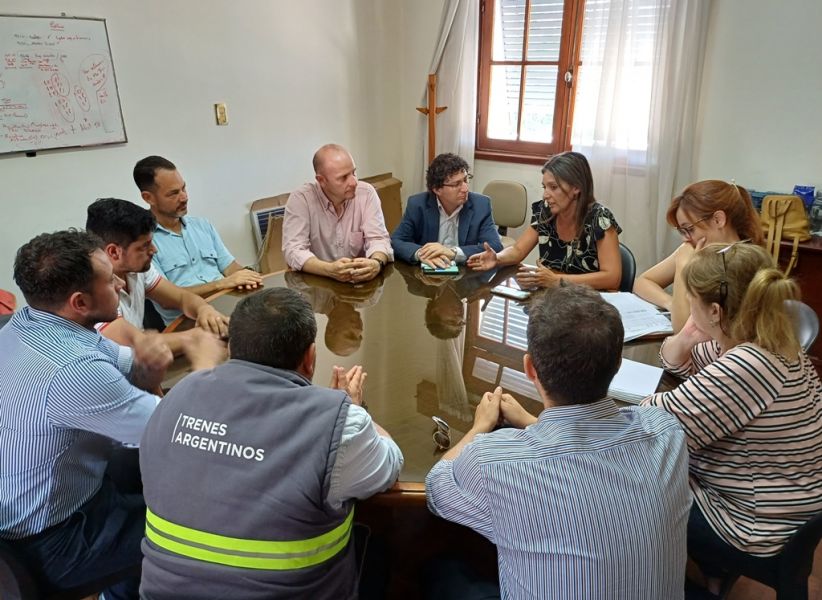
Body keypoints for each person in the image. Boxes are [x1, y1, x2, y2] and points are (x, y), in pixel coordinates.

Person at [426, 283, 691, 599]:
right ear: (617, 365)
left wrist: (478, 428)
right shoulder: (667, 434)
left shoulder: (492, 462)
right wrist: (529, 422)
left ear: (529, 369)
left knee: (443, 572)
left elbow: (436, 488)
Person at [139, 287, 404, 599]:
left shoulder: (176, 397)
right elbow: (390, 464)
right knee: (382, 552)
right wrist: (357, 411)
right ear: (310, 358)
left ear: (232, 348)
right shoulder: (338, 423)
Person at [0, 230, 223, 600]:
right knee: (199, 516)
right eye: (110, 279)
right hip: (52, 541)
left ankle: (122, 589)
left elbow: (123, 365)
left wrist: (149, 369)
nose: (121, 284)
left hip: (46, 500)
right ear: (80, 302)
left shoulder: (27, 325)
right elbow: (183, 430)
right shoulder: (71, 370)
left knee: (149, 470)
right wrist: (205, 366)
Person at [641, 242, 822, 593]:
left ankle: (665, 585)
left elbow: (653, 424)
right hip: (793, 495)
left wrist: (655, 396)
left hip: (760, 523)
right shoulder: (769, 336)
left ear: (714, 310)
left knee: (639, 493)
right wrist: (685, 338)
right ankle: (713, 573)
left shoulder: (747, 365)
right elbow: (681, 360)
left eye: (690, 297)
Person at [86, 198, 230, 350]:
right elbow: (136, 344)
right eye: (145, 245)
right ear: (114, 252)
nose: (154, 250)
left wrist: (204, 310)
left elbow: (181, 297)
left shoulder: (136, 269)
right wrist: (200, 336)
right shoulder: (93, 290)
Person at [134, 155, 263, 324]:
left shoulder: (202, 225)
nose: (184, 197)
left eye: (183, 188)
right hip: (190, 322)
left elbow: (230, 267)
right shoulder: (145, 244)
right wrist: (221, 284)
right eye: (173, 193)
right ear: (148, 198)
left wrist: (249, 276)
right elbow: (167, 299)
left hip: (231, 307)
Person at [467, 151, 622, 291]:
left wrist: (557, 280)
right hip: (551, 299)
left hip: (588, 303)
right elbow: (518, 250)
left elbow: (612, 278)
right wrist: (497, 258)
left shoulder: (600, 219)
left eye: (553, 187)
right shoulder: (545, 211)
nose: (545, 195)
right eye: (544, 187)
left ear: (576, 187)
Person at [633, 180, 764, 332]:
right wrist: (672, 303)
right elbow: (642, 282)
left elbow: (681, 328)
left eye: (689, 229)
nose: (685, 239)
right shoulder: (699, 249)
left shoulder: (741, 263)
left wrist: (684, 265)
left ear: (718, 220)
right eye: (682, 231)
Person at [282, 143, 393, 283]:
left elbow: (378, 239)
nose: (353, 182)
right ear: (321, 180)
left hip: (360, 285)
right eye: (343, 178)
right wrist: (329, 269)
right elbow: (294, 250)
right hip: (319, 285)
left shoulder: (366, 193)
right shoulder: (301, 200)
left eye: (354, 173)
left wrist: (377, 262)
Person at [391, 153, 502, 268]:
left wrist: (453, 252)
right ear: (437, 189)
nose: (465, 188)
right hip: (429, 274)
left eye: (465, 180)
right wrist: (421, 253)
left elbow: (494, 246)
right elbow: (396, 241)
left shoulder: (481, 204)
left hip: (466, 274)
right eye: (456, 184)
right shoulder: (418, 204)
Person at [284, 269, 385, 356]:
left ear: (331, 328)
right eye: (359, 336)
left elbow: (292, 276)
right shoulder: (369, 298)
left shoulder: (309, 302)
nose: (359, 330)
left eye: (350, 335)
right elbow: (381, 268)